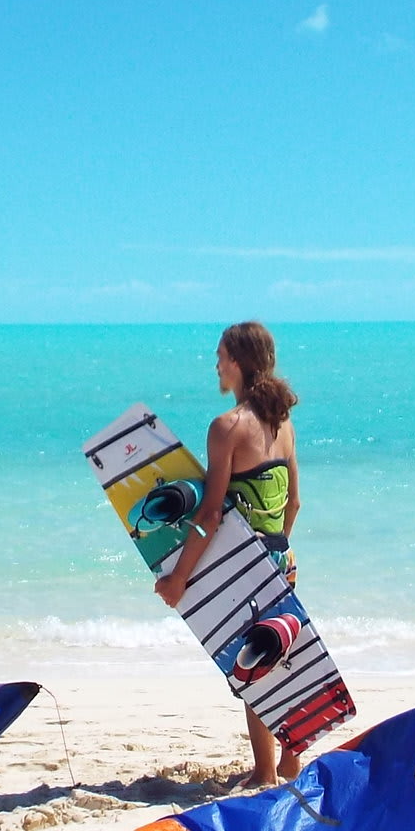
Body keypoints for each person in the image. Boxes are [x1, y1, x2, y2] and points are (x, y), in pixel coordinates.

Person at [154, 320, 304, 788]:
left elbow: (212, 513)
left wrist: (179, 576)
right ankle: (290, 757)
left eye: (220, 356)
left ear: (236, 363)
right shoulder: (283, 426)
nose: (215, 365)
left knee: (248, 665)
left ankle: (264, 773)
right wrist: (272, 554)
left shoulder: (226, 428)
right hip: (282, 558)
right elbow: (293, 503)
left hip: (245, 568)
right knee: (276, 654)